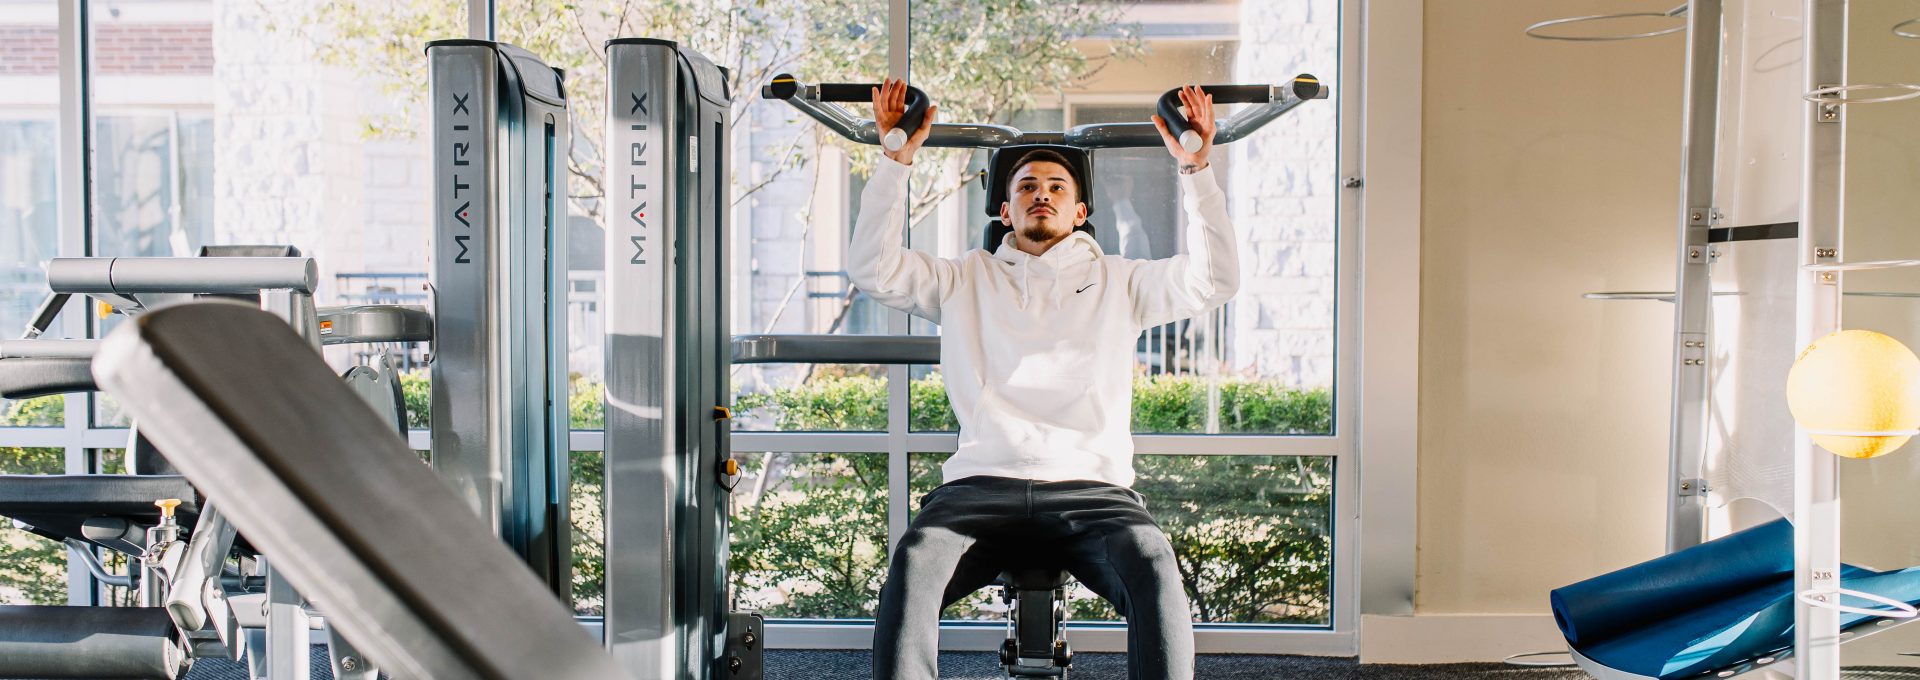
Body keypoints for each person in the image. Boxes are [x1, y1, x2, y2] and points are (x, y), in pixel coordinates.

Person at [852, 78, 1239, 680]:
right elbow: (872, 268)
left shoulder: (1122, 281)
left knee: (1154, 565)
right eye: (1026, 186)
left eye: (1057, 187)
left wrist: (1196, 172)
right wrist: (895, 160)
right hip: (982, 490)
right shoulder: (963, 279)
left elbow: (1215, 280)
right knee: (916, 560)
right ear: (1003, 209)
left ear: (1080, 212)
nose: (1042, 195)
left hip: (1093, 493)